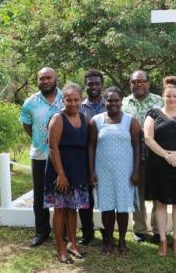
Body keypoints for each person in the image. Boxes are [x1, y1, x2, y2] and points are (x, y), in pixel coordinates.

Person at [144, 76, 176, 256]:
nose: (172, 99)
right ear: (163, 96)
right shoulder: (153, 114)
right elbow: (148, 139)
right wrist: (167, 156)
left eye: (175, 96)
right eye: (168, 96)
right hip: (159, 165)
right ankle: (163, 241)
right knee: (160, 203)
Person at [88, 87, 141, 255]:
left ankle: (123, 241)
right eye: (110, 100)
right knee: (107, 208)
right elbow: (91, 147)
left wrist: (136, 171)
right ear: (105, 101)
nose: (113, 103)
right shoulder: (96, 121)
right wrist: (91, 171)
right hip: (103, 172)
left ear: (121, 101)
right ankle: (109, 240)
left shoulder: (130, 121)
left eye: (116, 100)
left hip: (125, 172)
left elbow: (137, 147)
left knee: (123, 208)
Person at [44, 83, 90, 264]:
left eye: (76, 99)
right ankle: (60, 248)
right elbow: (53, 148)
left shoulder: (85, 118)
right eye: (68, 99)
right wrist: (61, 175)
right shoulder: (58, 118)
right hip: (60, 170)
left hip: (77, 169)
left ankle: (72, 243)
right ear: (63, 100)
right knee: (61, 209)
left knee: (73, 208)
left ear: (81, 99)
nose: (72, 103)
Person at [19, 67, 64, 247]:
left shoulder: (66, 98)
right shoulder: (30, 102)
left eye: (49, 77)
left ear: (56, 78)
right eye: (41, 78)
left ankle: (65, 231)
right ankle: (42, 231)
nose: (45, 81)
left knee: (63, 193)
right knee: (40, 196)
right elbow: (27, 125)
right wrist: (40, 140)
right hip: (40, 156)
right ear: (37, 81)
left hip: (62, 156)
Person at [122, 70, 163, 242]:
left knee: (157, 192)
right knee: (137, 193)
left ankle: (157, 229)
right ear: (130, 83)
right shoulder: (124, 103)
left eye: (142, 81)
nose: (138, 84)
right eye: (135, 81)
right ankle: (139, 229)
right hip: (133, 155)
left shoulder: (159, 101)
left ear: (148, 83)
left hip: (156, 155)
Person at [78, 69, 106, 246]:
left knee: (105, 197)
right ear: (85, 86)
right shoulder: (78, 107)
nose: (93, 86)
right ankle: (87, 232)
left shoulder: (111, 104)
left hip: (106, 158)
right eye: (90, 84)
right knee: (85, 198)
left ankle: (107, 231)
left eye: (96, 83)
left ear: (102, 85)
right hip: (82, 158)